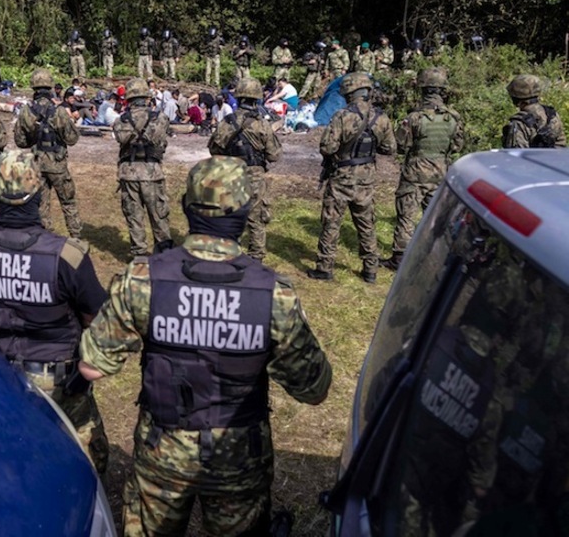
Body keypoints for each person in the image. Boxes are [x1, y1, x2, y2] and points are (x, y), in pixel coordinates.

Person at [78, 155, 332, 537]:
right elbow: (315, 389)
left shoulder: (143, 280)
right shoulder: (273, 294)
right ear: (245, 214)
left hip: (162, 448)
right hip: (239, 456)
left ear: (186, 207)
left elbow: (92, 367)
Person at [0, 149, 109, 471]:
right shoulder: (67, 256)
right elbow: (98, 318)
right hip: (59, 379)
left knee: (12, 453)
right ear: (39, 192)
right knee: (87, 457)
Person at [309, 72, 396, 283]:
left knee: (331, 222)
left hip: (342, 177)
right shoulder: (380, 117)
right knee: (366, 223)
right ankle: (370, 270)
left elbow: (327, 147)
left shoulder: (342, 116)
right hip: (366, 178)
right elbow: (390, 148)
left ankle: (325, 267)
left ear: (349, 92)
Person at [381, 67, 464, 271]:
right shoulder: (453, 117)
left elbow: (400, 145)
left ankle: (399, 257)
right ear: (443, 90)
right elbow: (457, 146)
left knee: (406, 215)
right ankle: (436, 256)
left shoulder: (415, 117)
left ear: (422, 89)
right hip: (440, 171)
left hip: (415, 172)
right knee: (436, 215)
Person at [208, 77, 282, 260]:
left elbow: (213, 149)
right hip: (255, 174)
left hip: (231, 172)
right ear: (257, 99)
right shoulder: (262, 124)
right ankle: (256, 255)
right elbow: (274, 155)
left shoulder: (227, 122)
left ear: (239, 97)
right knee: (255, 216)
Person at [14, 68, 83, 239]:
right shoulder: (59, 111)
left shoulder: (26, 112)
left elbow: (20, 141)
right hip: (57, 164)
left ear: (34, 89)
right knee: (68, 202)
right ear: (50, 87)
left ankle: (43, 238)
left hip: (37, 164)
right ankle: (76, 238)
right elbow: (72, 138)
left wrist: (34, 136)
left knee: (40, 204)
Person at [114, 78, 171, 256]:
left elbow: (120, 139)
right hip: (152, 172)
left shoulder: (121, 121)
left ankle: (139, 254)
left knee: (134, 216)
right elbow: (161, 141)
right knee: (159, 216)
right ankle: (164, 254)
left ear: (128, 98)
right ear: (147, 97)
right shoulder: (159, 118)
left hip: (129, 173)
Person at [502, 74, 567, 148]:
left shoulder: (519, 123)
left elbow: (516, 155)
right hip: (556, 159)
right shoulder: (552, 115)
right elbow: (561, 145)